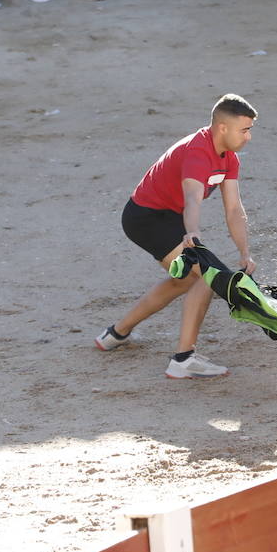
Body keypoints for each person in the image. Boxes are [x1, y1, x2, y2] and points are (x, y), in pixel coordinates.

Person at [96, 94, 259, 380]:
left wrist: (244, 252)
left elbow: (234, 209)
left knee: (184, 280)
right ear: (222, 127)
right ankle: (183, 359)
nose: (249, 137)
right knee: (208, 275)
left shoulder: (229, 158)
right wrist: (193, 231)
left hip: (169, 217)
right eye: (244, 130)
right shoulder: (198, 152)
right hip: (146, 218)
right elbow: (193, 199)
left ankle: (116, 333)